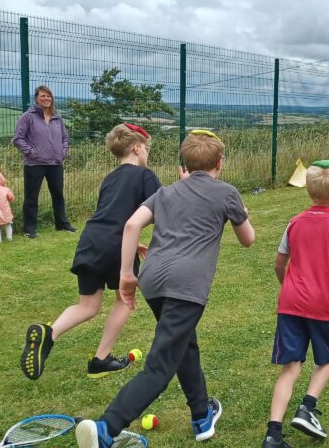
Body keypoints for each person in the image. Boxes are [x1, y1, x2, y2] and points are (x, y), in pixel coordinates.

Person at [75, 130, 255, 448]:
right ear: (220, 163)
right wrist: (243, 216)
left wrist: (127, 274)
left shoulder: (167, 192)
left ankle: (202, 415)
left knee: (184, 346)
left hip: (154, 281)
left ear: (184, 164)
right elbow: (248, 239)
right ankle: (107, 428)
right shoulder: (227, 193)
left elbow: (132, 225)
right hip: (187, 286)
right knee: (160, 366)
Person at [20, 124, 161, 380]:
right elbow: (159, 211)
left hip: (91, 240)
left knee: (88, 305)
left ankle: (48, 334)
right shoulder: (145, 176)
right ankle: (100, 359)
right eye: (147, 149)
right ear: (138, 147)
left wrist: (134, 242)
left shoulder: (110, 178)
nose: (147, 155)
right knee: (124, 300)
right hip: (117, 245)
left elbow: (111, 213)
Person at [261, 160, 329, 448]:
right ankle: (307, 408)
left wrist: (287, 287)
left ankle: (273, 434)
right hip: (322, 306)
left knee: (290, 366)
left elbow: (278, 263)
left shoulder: (294, 223)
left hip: (290, 304)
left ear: (308, 192)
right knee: (328, 358)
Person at [12, 85, 76, 239]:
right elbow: (18, 139)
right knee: (32, 197)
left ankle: (62, 224)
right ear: (36, 98)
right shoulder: (27, 117)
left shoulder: (57, 118)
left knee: (58, 194)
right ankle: (30, 229)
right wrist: (31, 152)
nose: (46, 99)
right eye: (43, 96)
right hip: (34, 164)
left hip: (55, 163)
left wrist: (63, 152)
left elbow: (65, 138)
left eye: (48, 96)